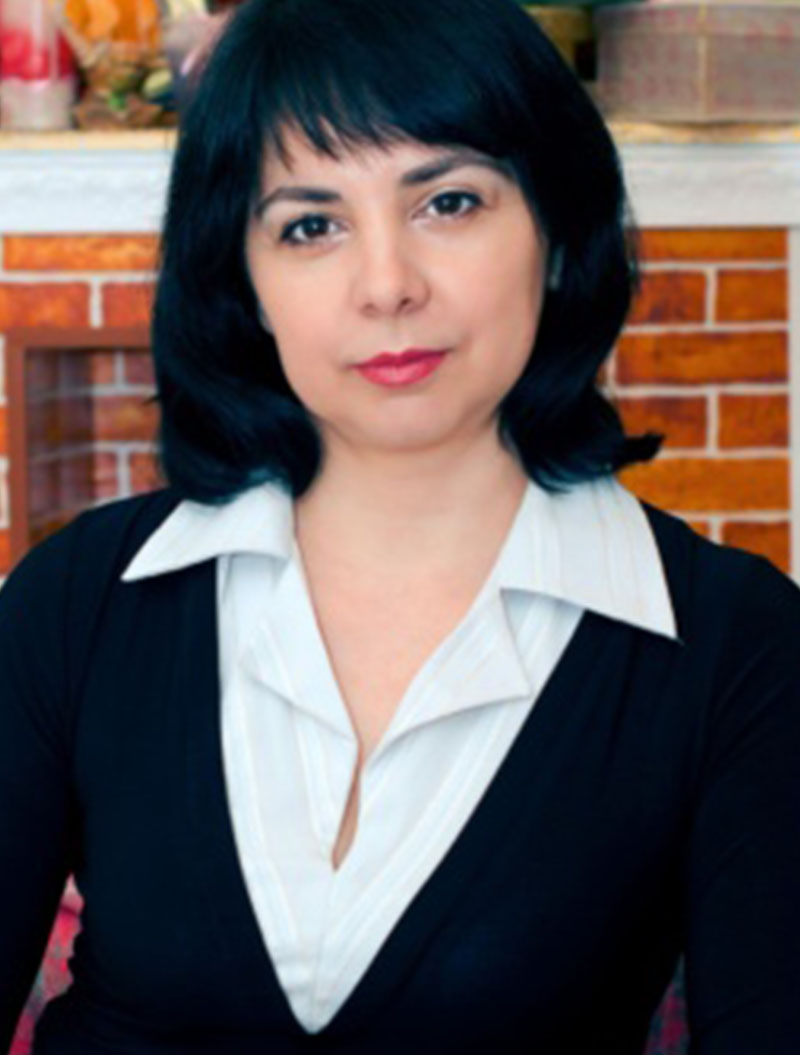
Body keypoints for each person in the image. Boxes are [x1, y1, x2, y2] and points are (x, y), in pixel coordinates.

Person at [2, 0, 799, 1051]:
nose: (386, 287)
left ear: (558, 234)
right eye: (311, 225)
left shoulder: (734, 644)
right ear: (246, 282)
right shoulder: (76, 602)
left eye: (448, 202)